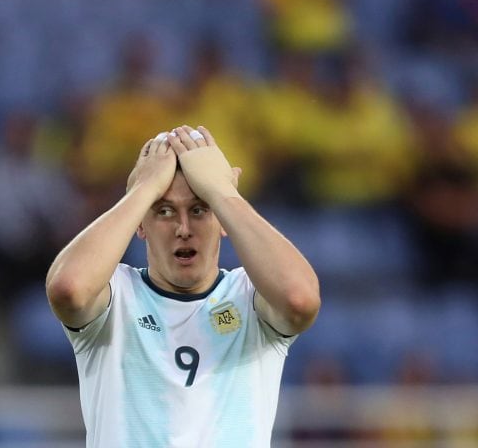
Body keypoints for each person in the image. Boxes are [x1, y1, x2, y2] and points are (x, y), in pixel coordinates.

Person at [46, 125, 321, 447]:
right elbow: (68, 289)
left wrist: (224, 194)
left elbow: (300, 300)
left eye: (200, 209)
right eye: (164, 211)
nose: (183, 229)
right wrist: (143, 189)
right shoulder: (117, 295)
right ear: (140, 225)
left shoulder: (249, 297)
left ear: (222, 219)